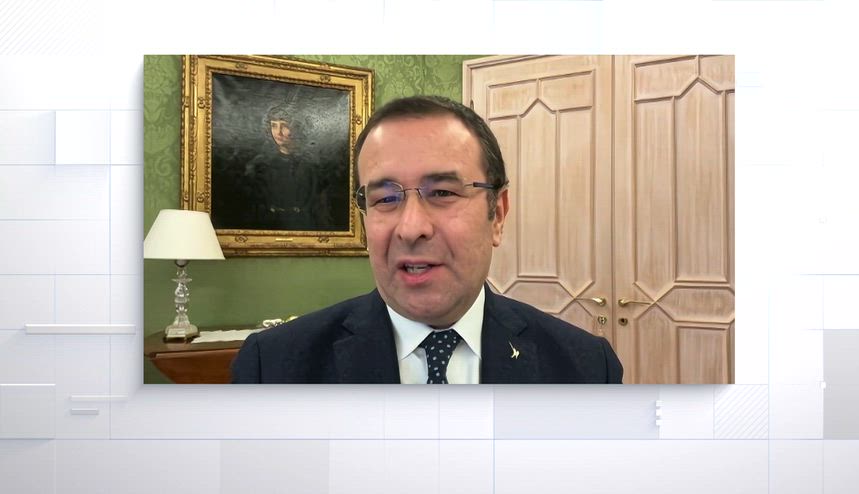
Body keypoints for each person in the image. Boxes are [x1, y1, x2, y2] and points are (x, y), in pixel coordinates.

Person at [231, 95, 623, 384]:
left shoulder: (587, 369)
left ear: (498, 214)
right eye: (385, 199)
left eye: (442, 193)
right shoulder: (272, 368)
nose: (411, 227)